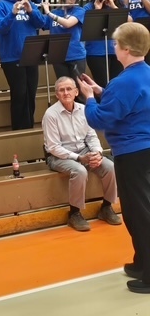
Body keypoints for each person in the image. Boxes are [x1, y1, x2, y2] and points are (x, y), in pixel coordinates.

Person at [79, 22, 150, 293]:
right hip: (145, 149)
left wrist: (88, 98)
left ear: (127, 49)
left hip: (132, 152)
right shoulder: (143, 74)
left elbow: (99, 118)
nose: (114, 47)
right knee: (139, 209)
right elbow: (125, 104)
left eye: (117, 43)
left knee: (139, 212)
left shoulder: (124, 82)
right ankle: (142, 261)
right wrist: (100, 91)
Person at [42, 76, 121, 232]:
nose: (66, 93)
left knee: (110, 166)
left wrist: (97, 153)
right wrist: (79, 158)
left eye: (69, 89)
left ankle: (106, 207)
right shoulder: (50, 114)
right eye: (61, 90)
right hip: (59, 156)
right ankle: (74, 213)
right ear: (56, 95)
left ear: (76, 91)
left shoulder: (84, 109)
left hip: (84, 151)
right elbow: (53, 147)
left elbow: (91, 136)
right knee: (79, 170)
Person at [0, 0, 46, 130]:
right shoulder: (1, 6)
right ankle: (18, 130)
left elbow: (42, 23)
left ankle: (28, 127)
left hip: (31, 55)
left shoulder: (31, 5)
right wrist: (12, 13)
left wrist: (31, 11)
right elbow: (0, 28)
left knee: (31, 94)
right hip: (11, 57)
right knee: (19, 94)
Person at [41, 0, 87, 87]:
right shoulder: (55, 12)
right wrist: (31, 10)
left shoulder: (79, 11)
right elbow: (40, 23)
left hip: (76, 54)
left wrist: (48, 12)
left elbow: (68, 23)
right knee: (64, 88)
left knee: (79, 89)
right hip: (58, 56)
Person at [83, 0, 125, 87]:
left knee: (116, 83)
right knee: (102, 84)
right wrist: (97, 9)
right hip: (96, 52)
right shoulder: (89, 6)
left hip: (116, 51)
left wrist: (113, 7)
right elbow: (88, 27)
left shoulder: (119, 5)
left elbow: (128, 21)